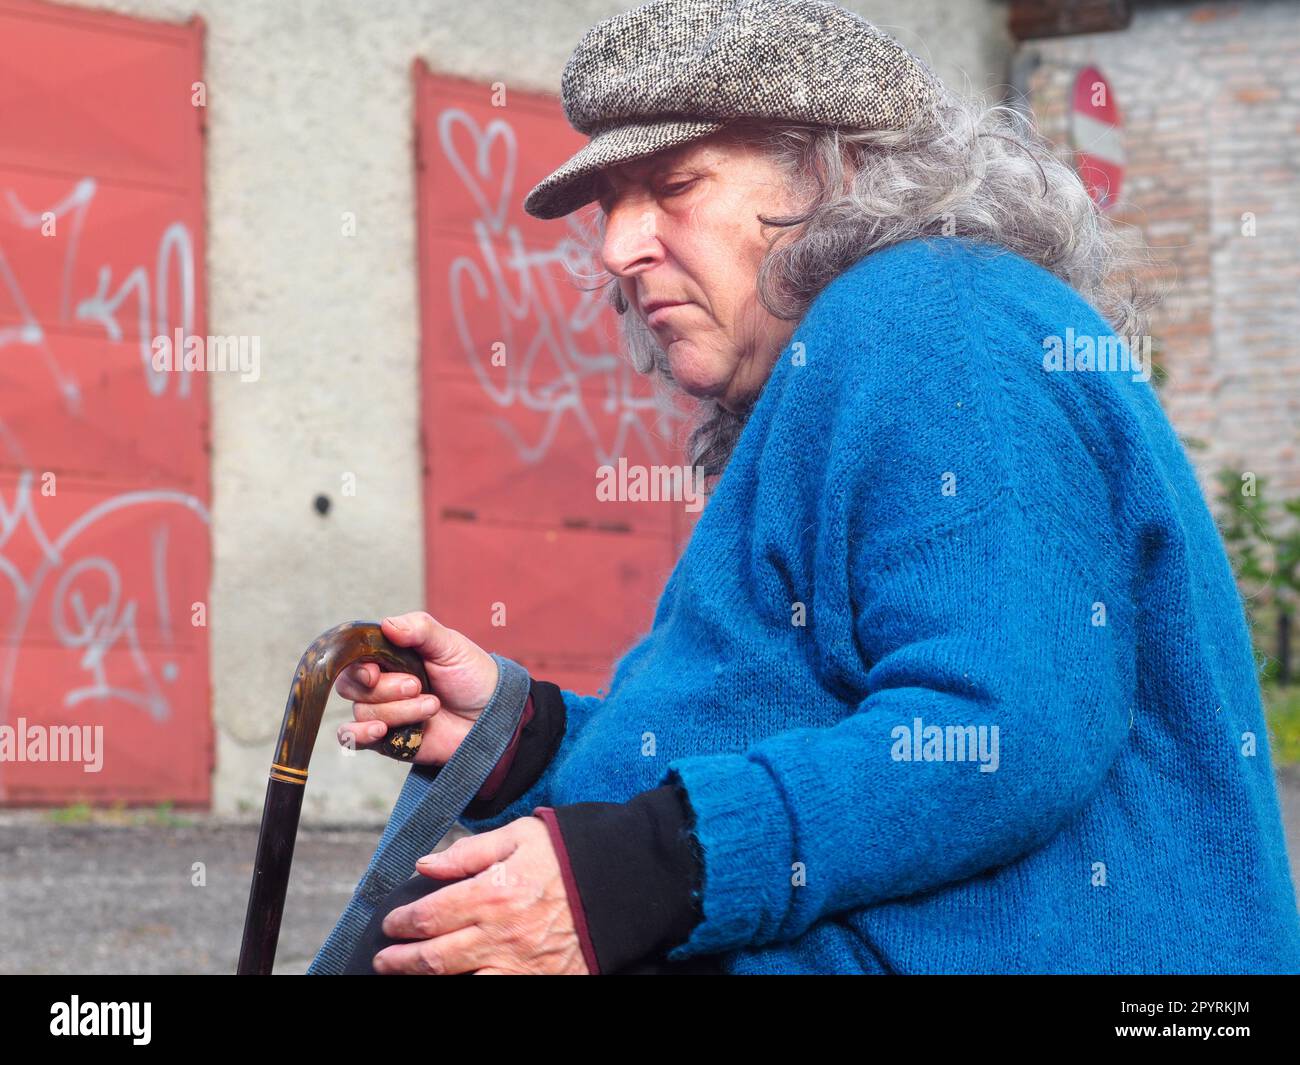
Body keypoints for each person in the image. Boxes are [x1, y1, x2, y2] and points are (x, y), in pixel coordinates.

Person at [329, 0, 1300, 975]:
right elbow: (806, 718)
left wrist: (647, 870)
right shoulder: (852, 358)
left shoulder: (937, 314)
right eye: (608, 205)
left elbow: (998, 727)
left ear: (838, 174)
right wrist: (531, 740)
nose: (616, 249)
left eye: (672, 185)